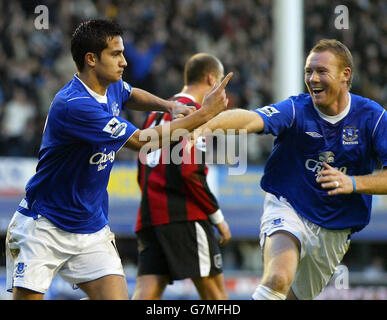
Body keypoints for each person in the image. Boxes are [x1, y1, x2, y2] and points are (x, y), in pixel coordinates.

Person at [5, 19, 232, 300]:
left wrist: (168, 105)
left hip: (90, 229)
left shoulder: (110, 85)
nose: (124, 61)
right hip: (45, 226)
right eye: (116, 54)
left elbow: (130, 93)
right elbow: (141, 142)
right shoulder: (75, 105)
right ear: (91, 59)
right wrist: (204, 114)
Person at [191, 39, 387, 300]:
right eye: (308, 71)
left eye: (321, 71)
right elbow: (251, 119)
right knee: (277, 278)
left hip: (336, 228)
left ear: (345, 75)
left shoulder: (372, 118)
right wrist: (205, 125)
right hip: (288, 206)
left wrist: (352, 183)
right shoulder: (296, 109)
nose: (313, 78)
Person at [132, 53, 232, 300]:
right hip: (184, 216)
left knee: (147, 293)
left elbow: (141, 168)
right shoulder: (195, 112)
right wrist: (217, 216)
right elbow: (189, 171)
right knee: (215, 295)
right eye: (219, 83)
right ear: (211, 79)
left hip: (149, 217)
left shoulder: (156, 111)